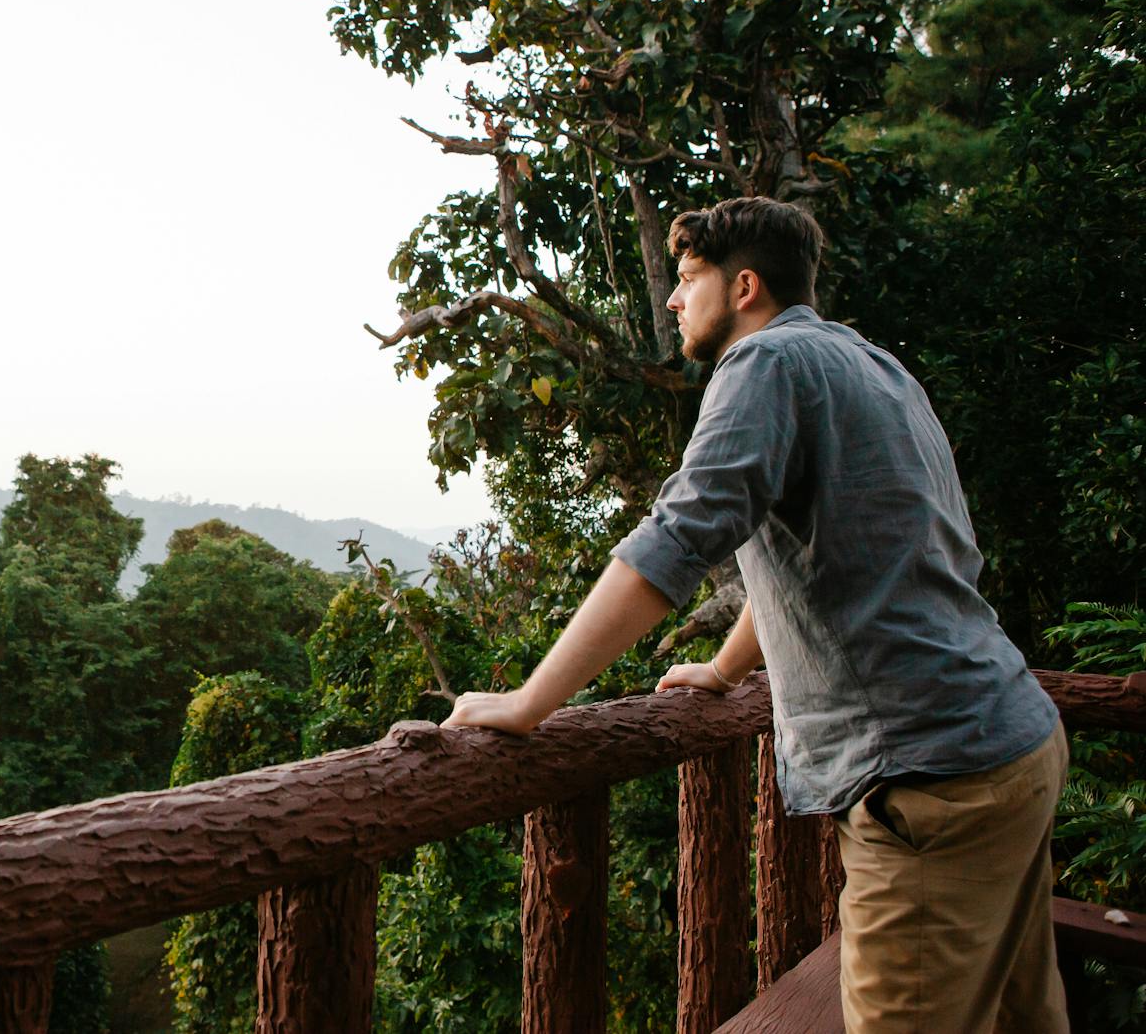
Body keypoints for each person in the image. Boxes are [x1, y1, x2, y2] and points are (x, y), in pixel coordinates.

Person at [440, 196, 1067, 1034]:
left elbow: (677, 538)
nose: (672, 298)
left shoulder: (763, 365)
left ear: (743, 286)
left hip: (929, 783)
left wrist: (530, 702)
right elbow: (836, 557)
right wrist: (729, 667)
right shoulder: (871, 363)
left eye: (687, 277)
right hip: (1014, 741)